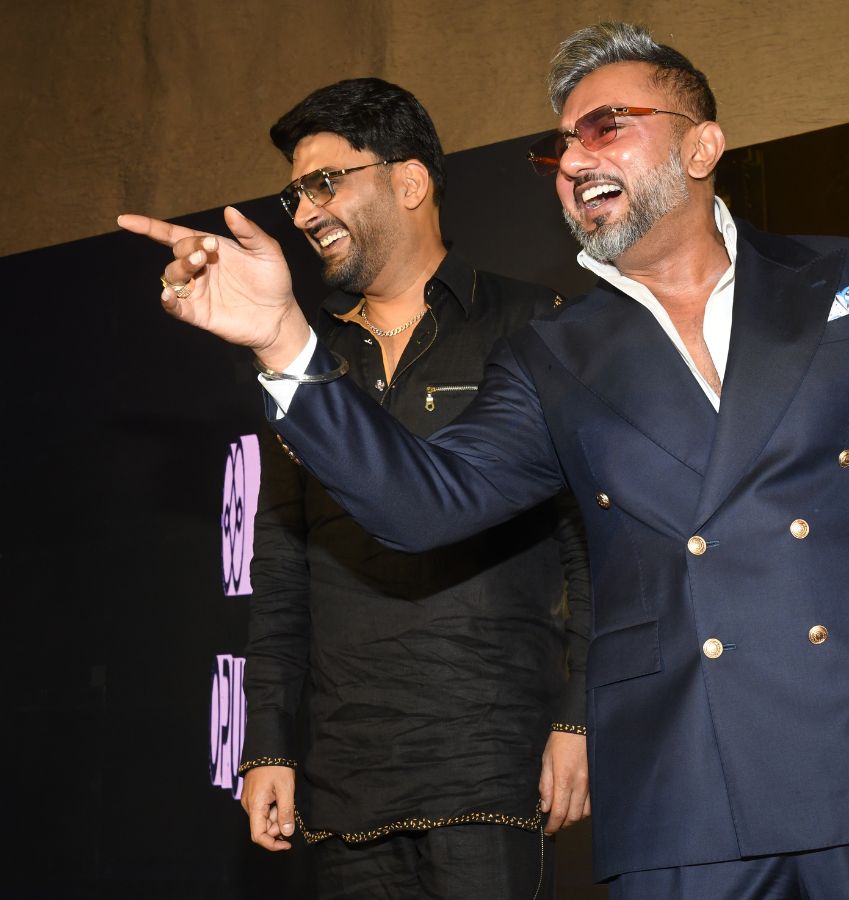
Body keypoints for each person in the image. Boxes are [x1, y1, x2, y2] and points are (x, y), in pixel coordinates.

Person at [119, 23, 849, 900]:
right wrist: (285, 343)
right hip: (687, 801)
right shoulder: (554, 354)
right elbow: (423, 506)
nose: (575, 159)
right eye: (559, 147)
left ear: (701, 145)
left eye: (607, 127)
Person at [192, 78, 592, 900]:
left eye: (324, 183)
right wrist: (267, 744)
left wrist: (581, 714)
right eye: (295, 194)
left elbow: (593, 548)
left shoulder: (531, 325)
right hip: (348, 779)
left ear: (409, 182)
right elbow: (281, 569)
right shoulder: (301, 356)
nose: (304, 214)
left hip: (491, 764)